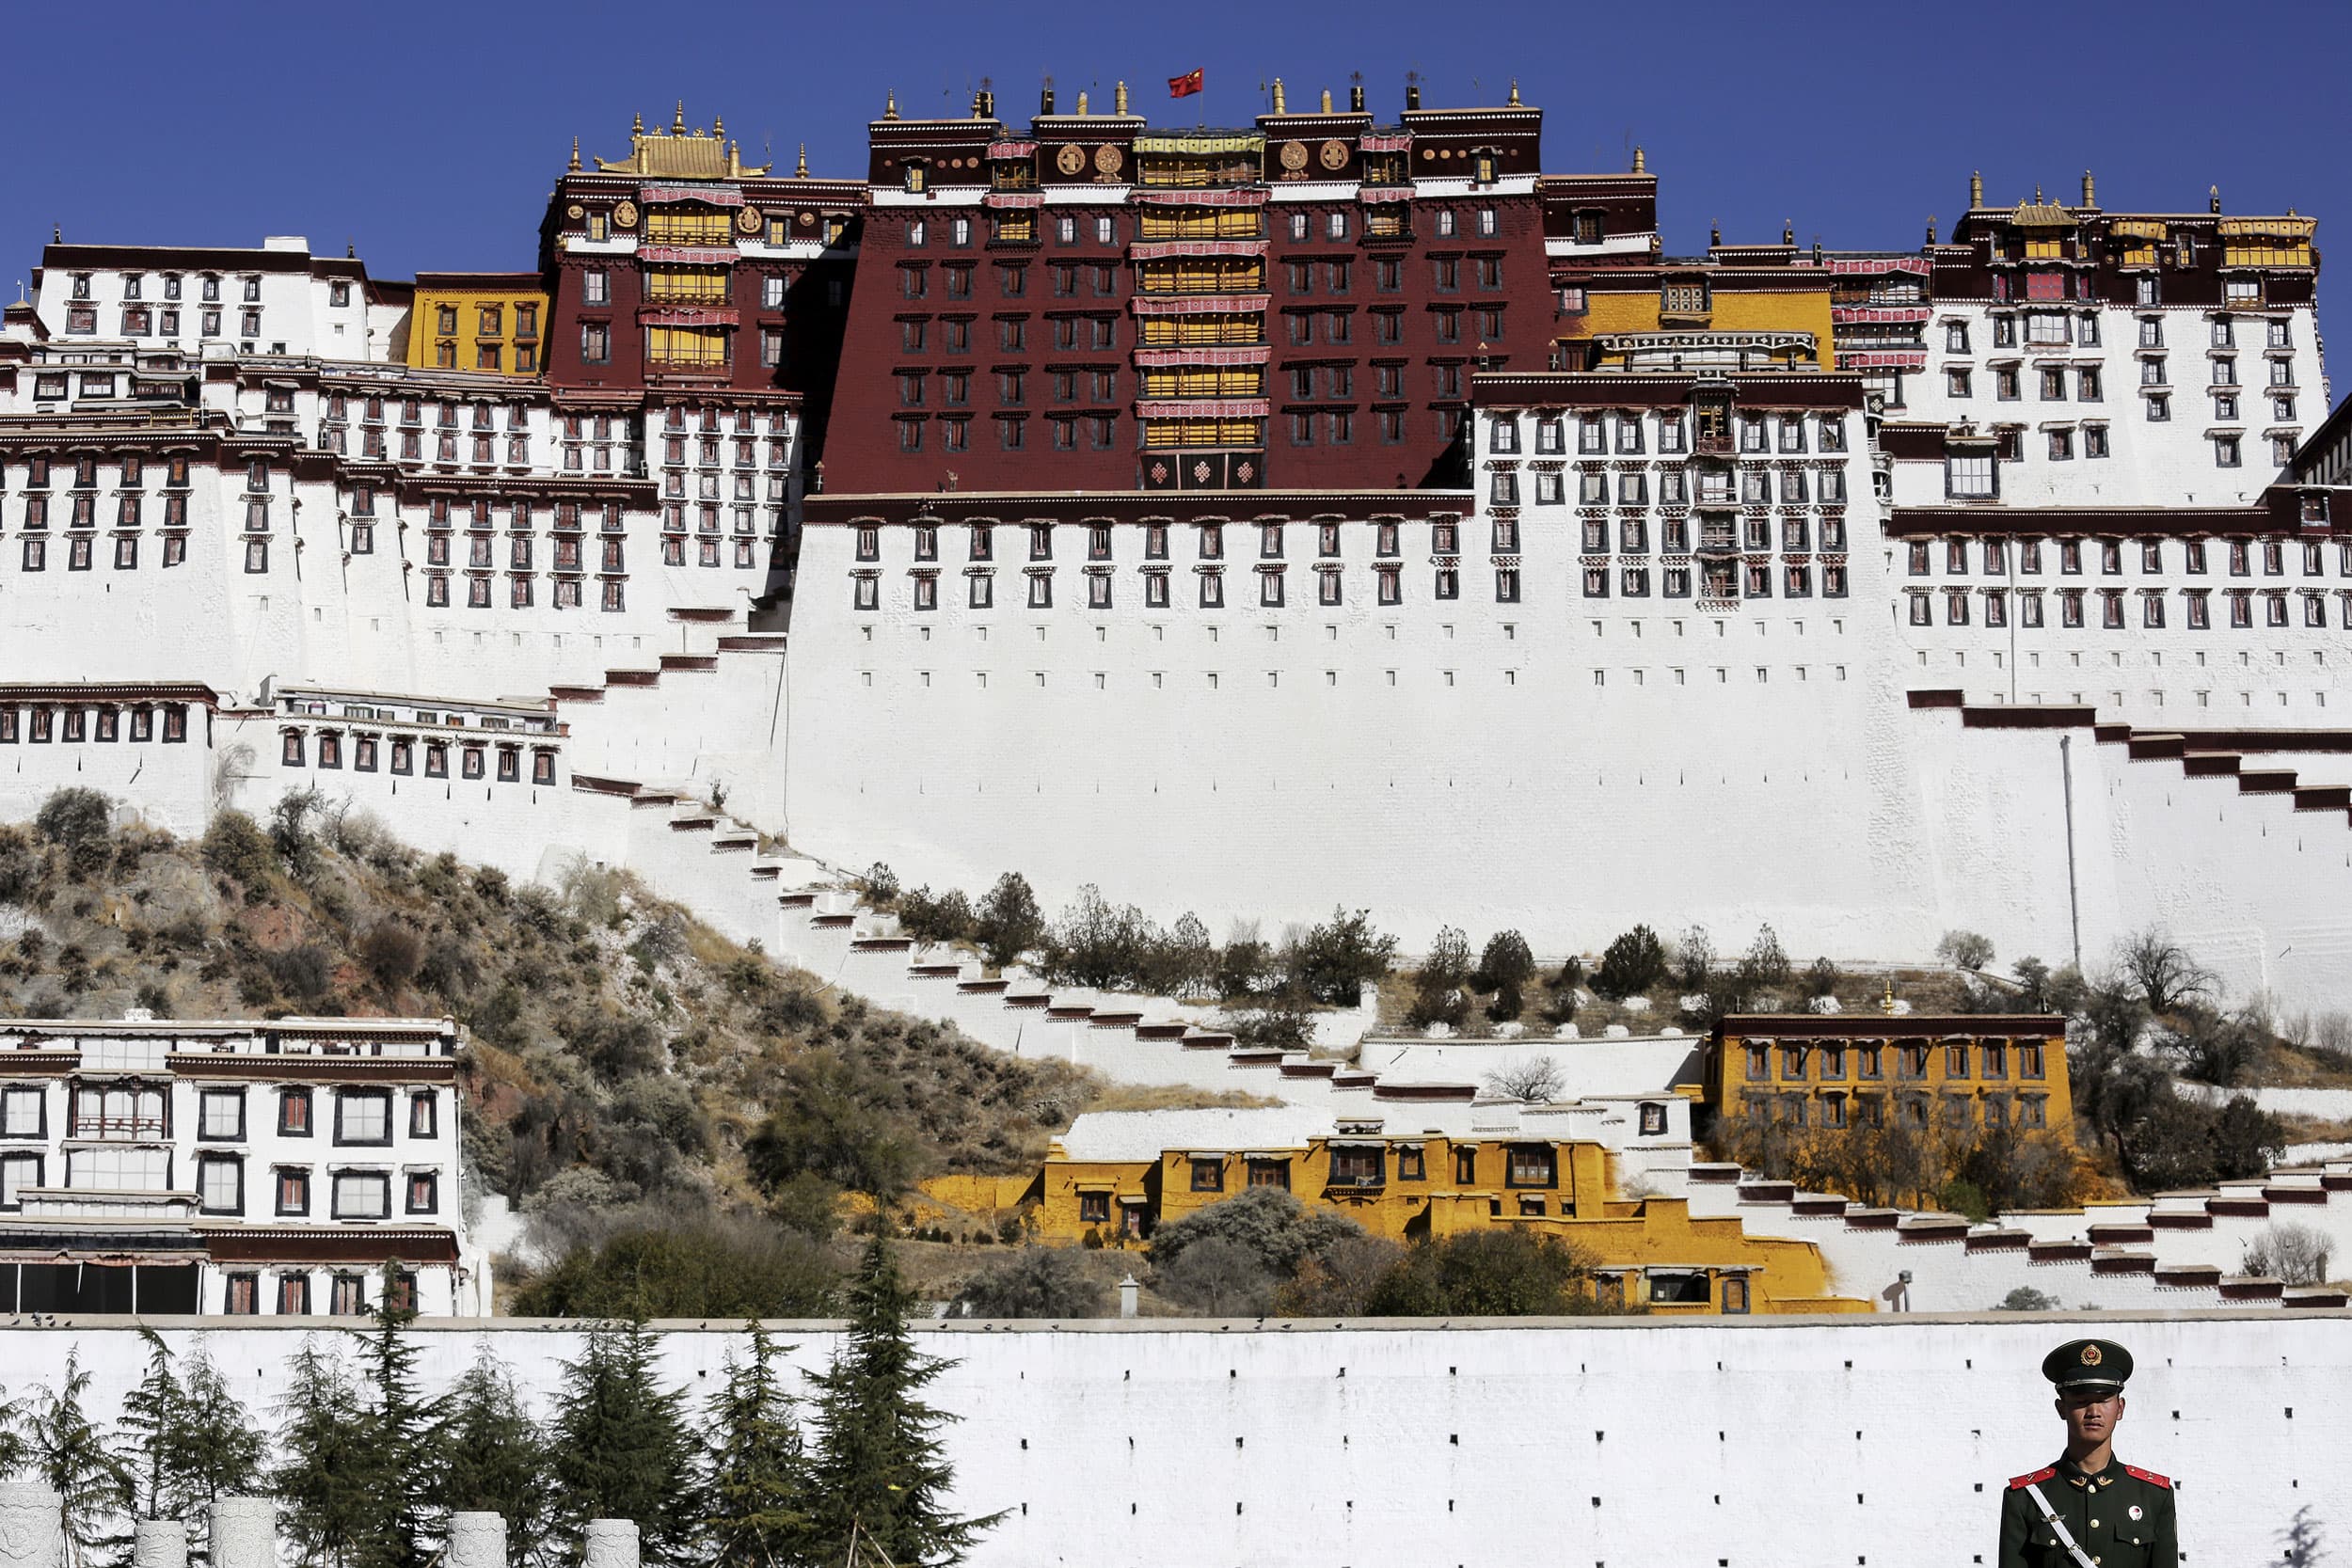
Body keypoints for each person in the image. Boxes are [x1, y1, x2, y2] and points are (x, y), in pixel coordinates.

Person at [1998, 1338, 2178, 1568]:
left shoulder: (2153, 1496)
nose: (2094, 1412)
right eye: (2081, 1401)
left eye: (2104, 1400)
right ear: (2061, 1408)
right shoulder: (2025, 1498)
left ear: (2120, 1408)